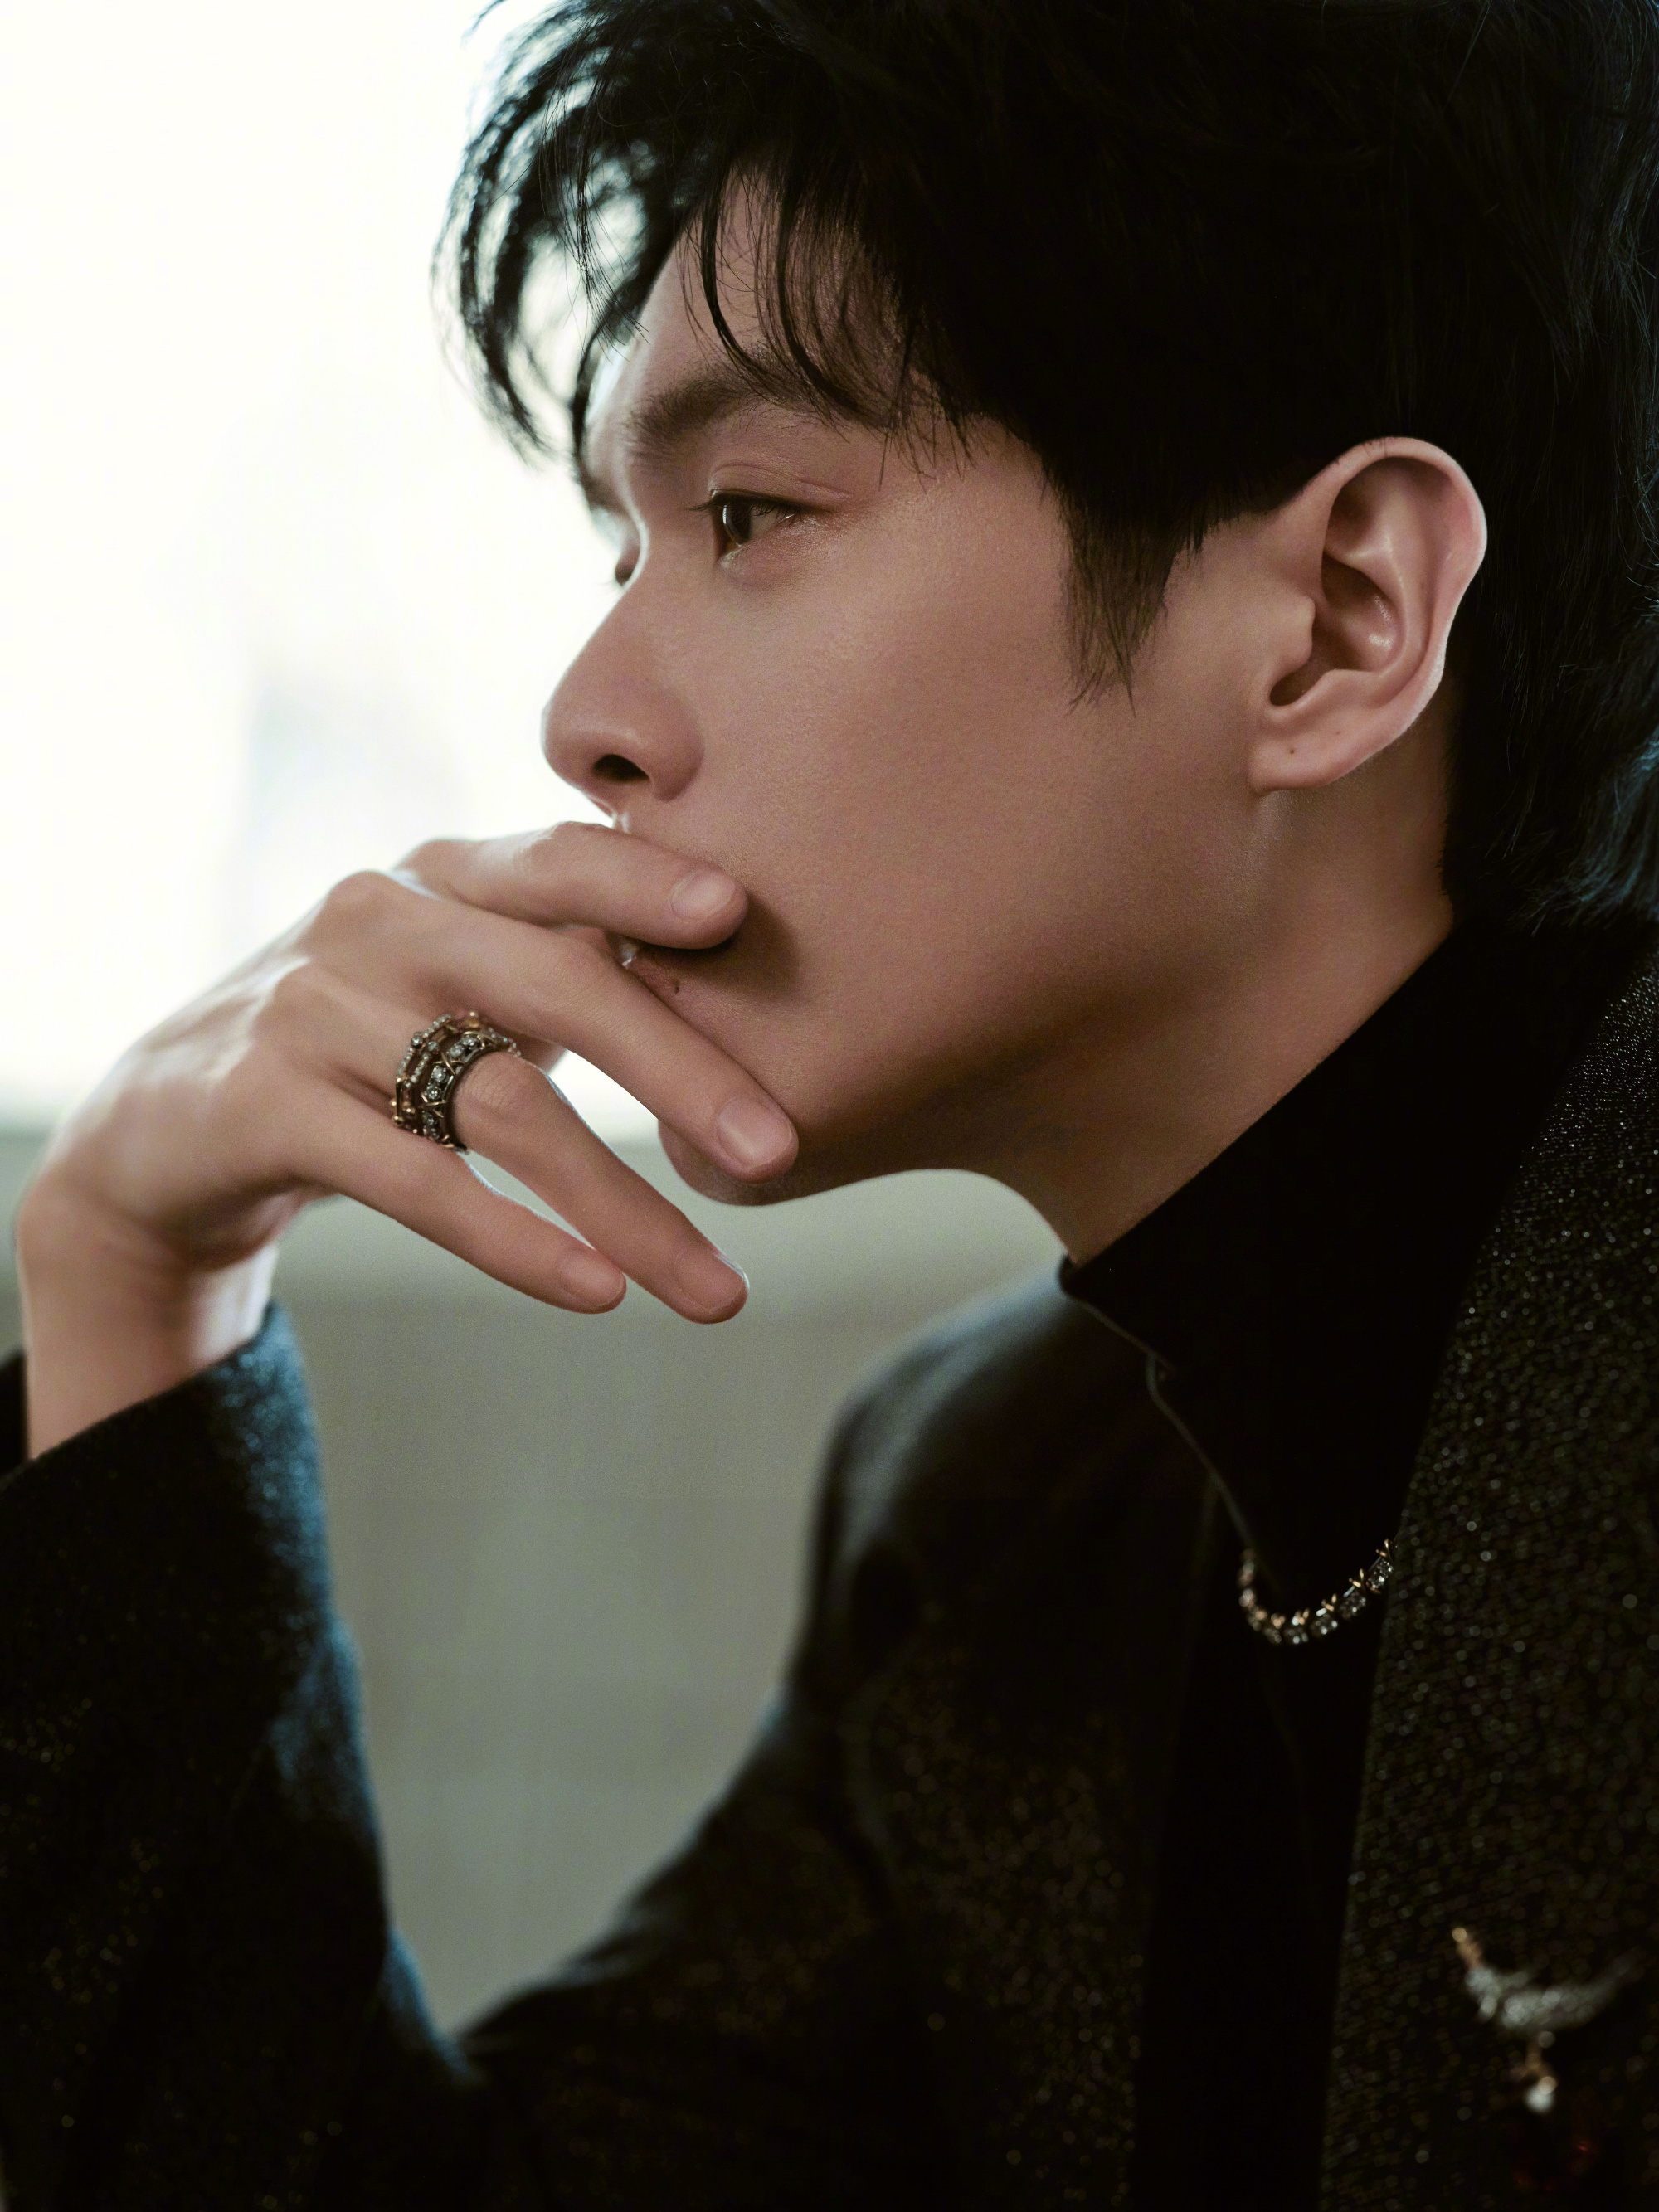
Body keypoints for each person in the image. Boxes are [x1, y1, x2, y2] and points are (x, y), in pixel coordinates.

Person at [6, 0, 1659, 2203]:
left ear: (1340, 622)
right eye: (625, 551)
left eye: (751, 513)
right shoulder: (998, 1517)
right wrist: (132, 1289)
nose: (589, 715)